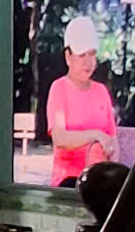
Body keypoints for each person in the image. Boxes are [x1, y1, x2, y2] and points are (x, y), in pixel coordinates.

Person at [46, 15, 119, 186]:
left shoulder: (101, 91)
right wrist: (94, 135)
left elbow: (113, 140)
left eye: (92, 54)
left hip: (100, 179)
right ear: (68, 56)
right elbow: (60, 138)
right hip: (69, 180)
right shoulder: (59, 88)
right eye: (81, 55)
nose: (88, 62)